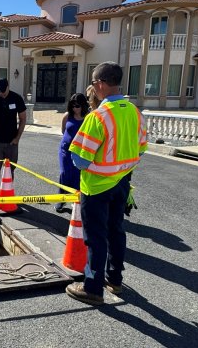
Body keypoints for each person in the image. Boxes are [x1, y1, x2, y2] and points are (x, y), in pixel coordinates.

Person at [65, 62, 147, 306]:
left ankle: (92, 288)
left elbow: (79, 160)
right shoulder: (134, 112)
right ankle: (115, 280)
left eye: (93, 83)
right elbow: (141, 149)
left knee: (96, 238)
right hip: (122, 183)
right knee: (116, 231)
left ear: (100, 83)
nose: (93, 87)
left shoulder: (98, 116)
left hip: (96, 187)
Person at [55, 93, 89, 213]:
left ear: (83, 105)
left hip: (80, 151)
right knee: (65, 173)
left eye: (78, 105)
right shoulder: (67, 115)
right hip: (65, 150)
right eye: (72, 105)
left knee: (77, 175)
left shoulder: (88, 117)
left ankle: (77, 201)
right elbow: (64, 130)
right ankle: (61, 199)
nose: (75, 108)